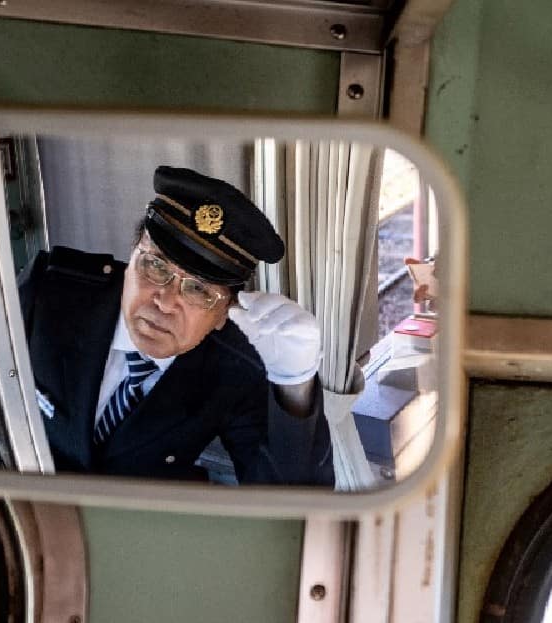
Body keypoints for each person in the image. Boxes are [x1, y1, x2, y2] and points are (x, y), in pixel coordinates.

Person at [17, 166, 334, 487]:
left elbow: (291, 500)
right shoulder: (51, 290)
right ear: (130, 259)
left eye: (198, 289)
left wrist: (295, 383)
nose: (166, 302)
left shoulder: (232, 367)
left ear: (224, 312)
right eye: (155, 266)